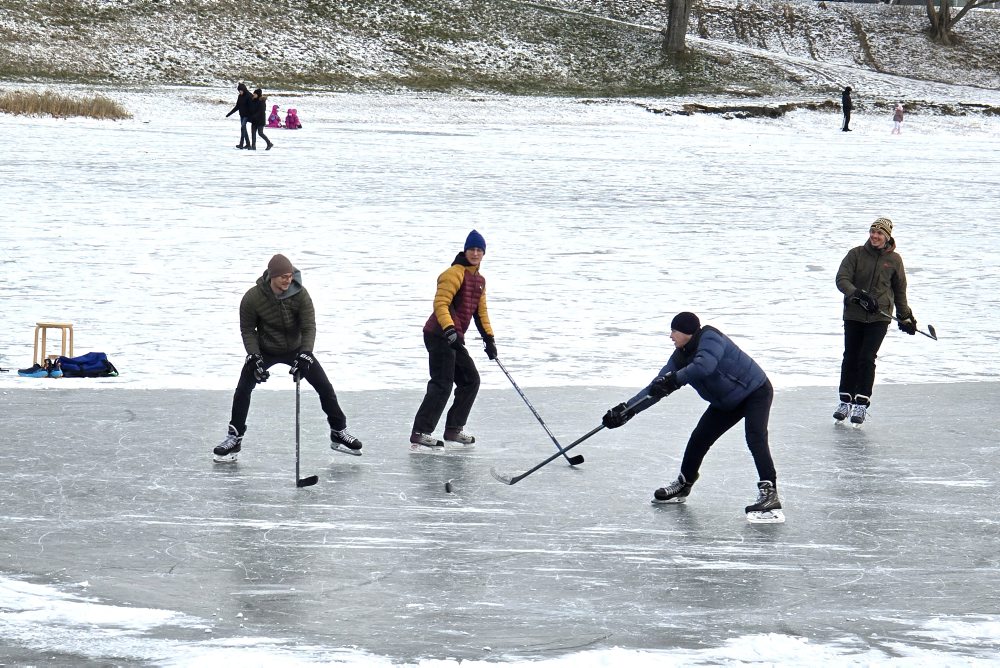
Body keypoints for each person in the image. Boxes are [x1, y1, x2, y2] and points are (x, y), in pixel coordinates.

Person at [600, 312, 781, 518]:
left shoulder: (710, 337)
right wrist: (626, 411)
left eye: (674, 331)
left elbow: (704, 366)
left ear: (687, 332)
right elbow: (656, 388)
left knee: (755, 436)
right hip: (726, 401)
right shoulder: (679, 357)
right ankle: (684, 484)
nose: (670, 336)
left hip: (755, 390)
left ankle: (770, 493)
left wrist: (674, 380)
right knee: (699, 439)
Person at [214, 254, 362, 462]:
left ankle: (338, 431)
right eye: (283, 276)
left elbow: (309, 326)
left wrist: (305, 353)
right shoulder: (252, 297)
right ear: (272, 276)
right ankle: (234, 437)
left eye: (290, 276)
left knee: (324, 387)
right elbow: (248, 330)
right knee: (243, 389)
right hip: (265, 349)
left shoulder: (300, 294)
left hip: (296, 349)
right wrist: (254, 357)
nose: (288, 280)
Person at [410, 230, 497, 451]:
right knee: (442, 384)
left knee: (470, 380)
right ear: (465, 250)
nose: (475, 253)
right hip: (439, 335)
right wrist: (449, 330)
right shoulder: (453, 273)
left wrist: (489, 338)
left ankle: (453, 429)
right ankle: (421, 432)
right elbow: (440, 304)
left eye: (479, 250)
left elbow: (481, 312)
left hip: (454, 338)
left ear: (484, 253)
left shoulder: (479, 280)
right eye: (472, 249)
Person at [834, 217, 916, 425]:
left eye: (879, 233)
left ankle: (861, 404)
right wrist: (858, 294)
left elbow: (900, 291)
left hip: (879, 317)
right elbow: (842, 279)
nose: (875, 236)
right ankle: (845, 401)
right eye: (872, 232)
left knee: (866, 357)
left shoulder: (895, 260)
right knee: (850, 356)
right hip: (854, 313)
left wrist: (905, 316)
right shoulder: (856, 254)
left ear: (887, 236)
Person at [225, 83, 255, 149]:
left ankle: (241, 144)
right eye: (239, 91)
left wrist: (253, 115)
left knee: (243, 127)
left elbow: (252, 107)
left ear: (244, 89)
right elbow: (237, 106)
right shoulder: (240, 96)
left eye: (241, 90)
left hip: (247, 115)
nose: (240, 92)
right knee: (244, 129)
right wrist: (229, 113)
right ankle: (248, 144)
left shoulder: (249, 96)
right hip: (242, 115)